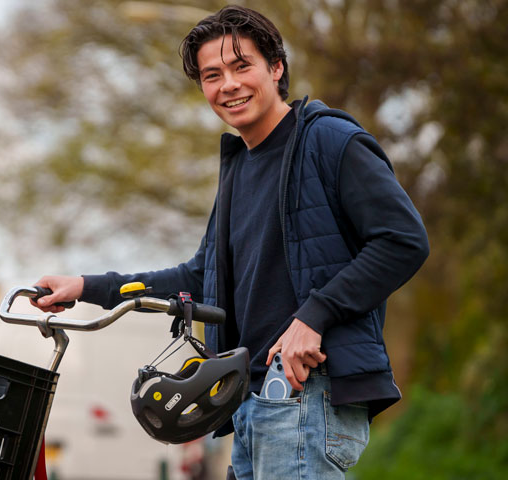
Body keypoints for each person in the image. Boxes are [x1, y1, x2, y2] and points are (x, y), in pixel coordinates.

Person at [32, 5, 429, 479]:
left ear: (276, 67)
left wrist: (314, 316)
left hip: (306, 393)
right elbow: (198, 279)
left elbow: (403, 240)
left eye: (243, 66)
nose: (229, 85)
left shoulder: (329, 140)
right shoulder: (238, 170)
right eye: (213, 74)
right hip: (245, 401)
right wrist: (86, 287)